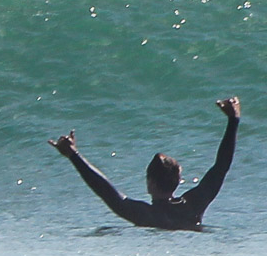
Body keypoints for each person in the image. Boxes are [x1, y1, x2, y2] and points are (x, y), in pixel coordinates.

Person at [48, 97, 240, 229]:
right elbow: (221, 167)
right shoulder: (194, 204)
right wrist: (233, 120)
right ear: (178, 180)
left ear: (151, 183)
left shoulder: (145, 215)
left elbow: (105, 191)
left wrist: (74, 155)